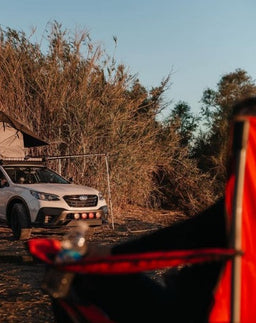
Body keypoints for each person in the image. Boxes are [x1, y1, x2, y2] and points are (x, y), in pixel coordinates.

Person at [62, 97, 256, 323]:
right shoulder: (242, 204)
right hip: (211, 303)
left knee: (81, 275)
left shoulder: (243, 208)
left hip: (193, 311)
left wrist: (110, 254)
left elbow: (180, 239)